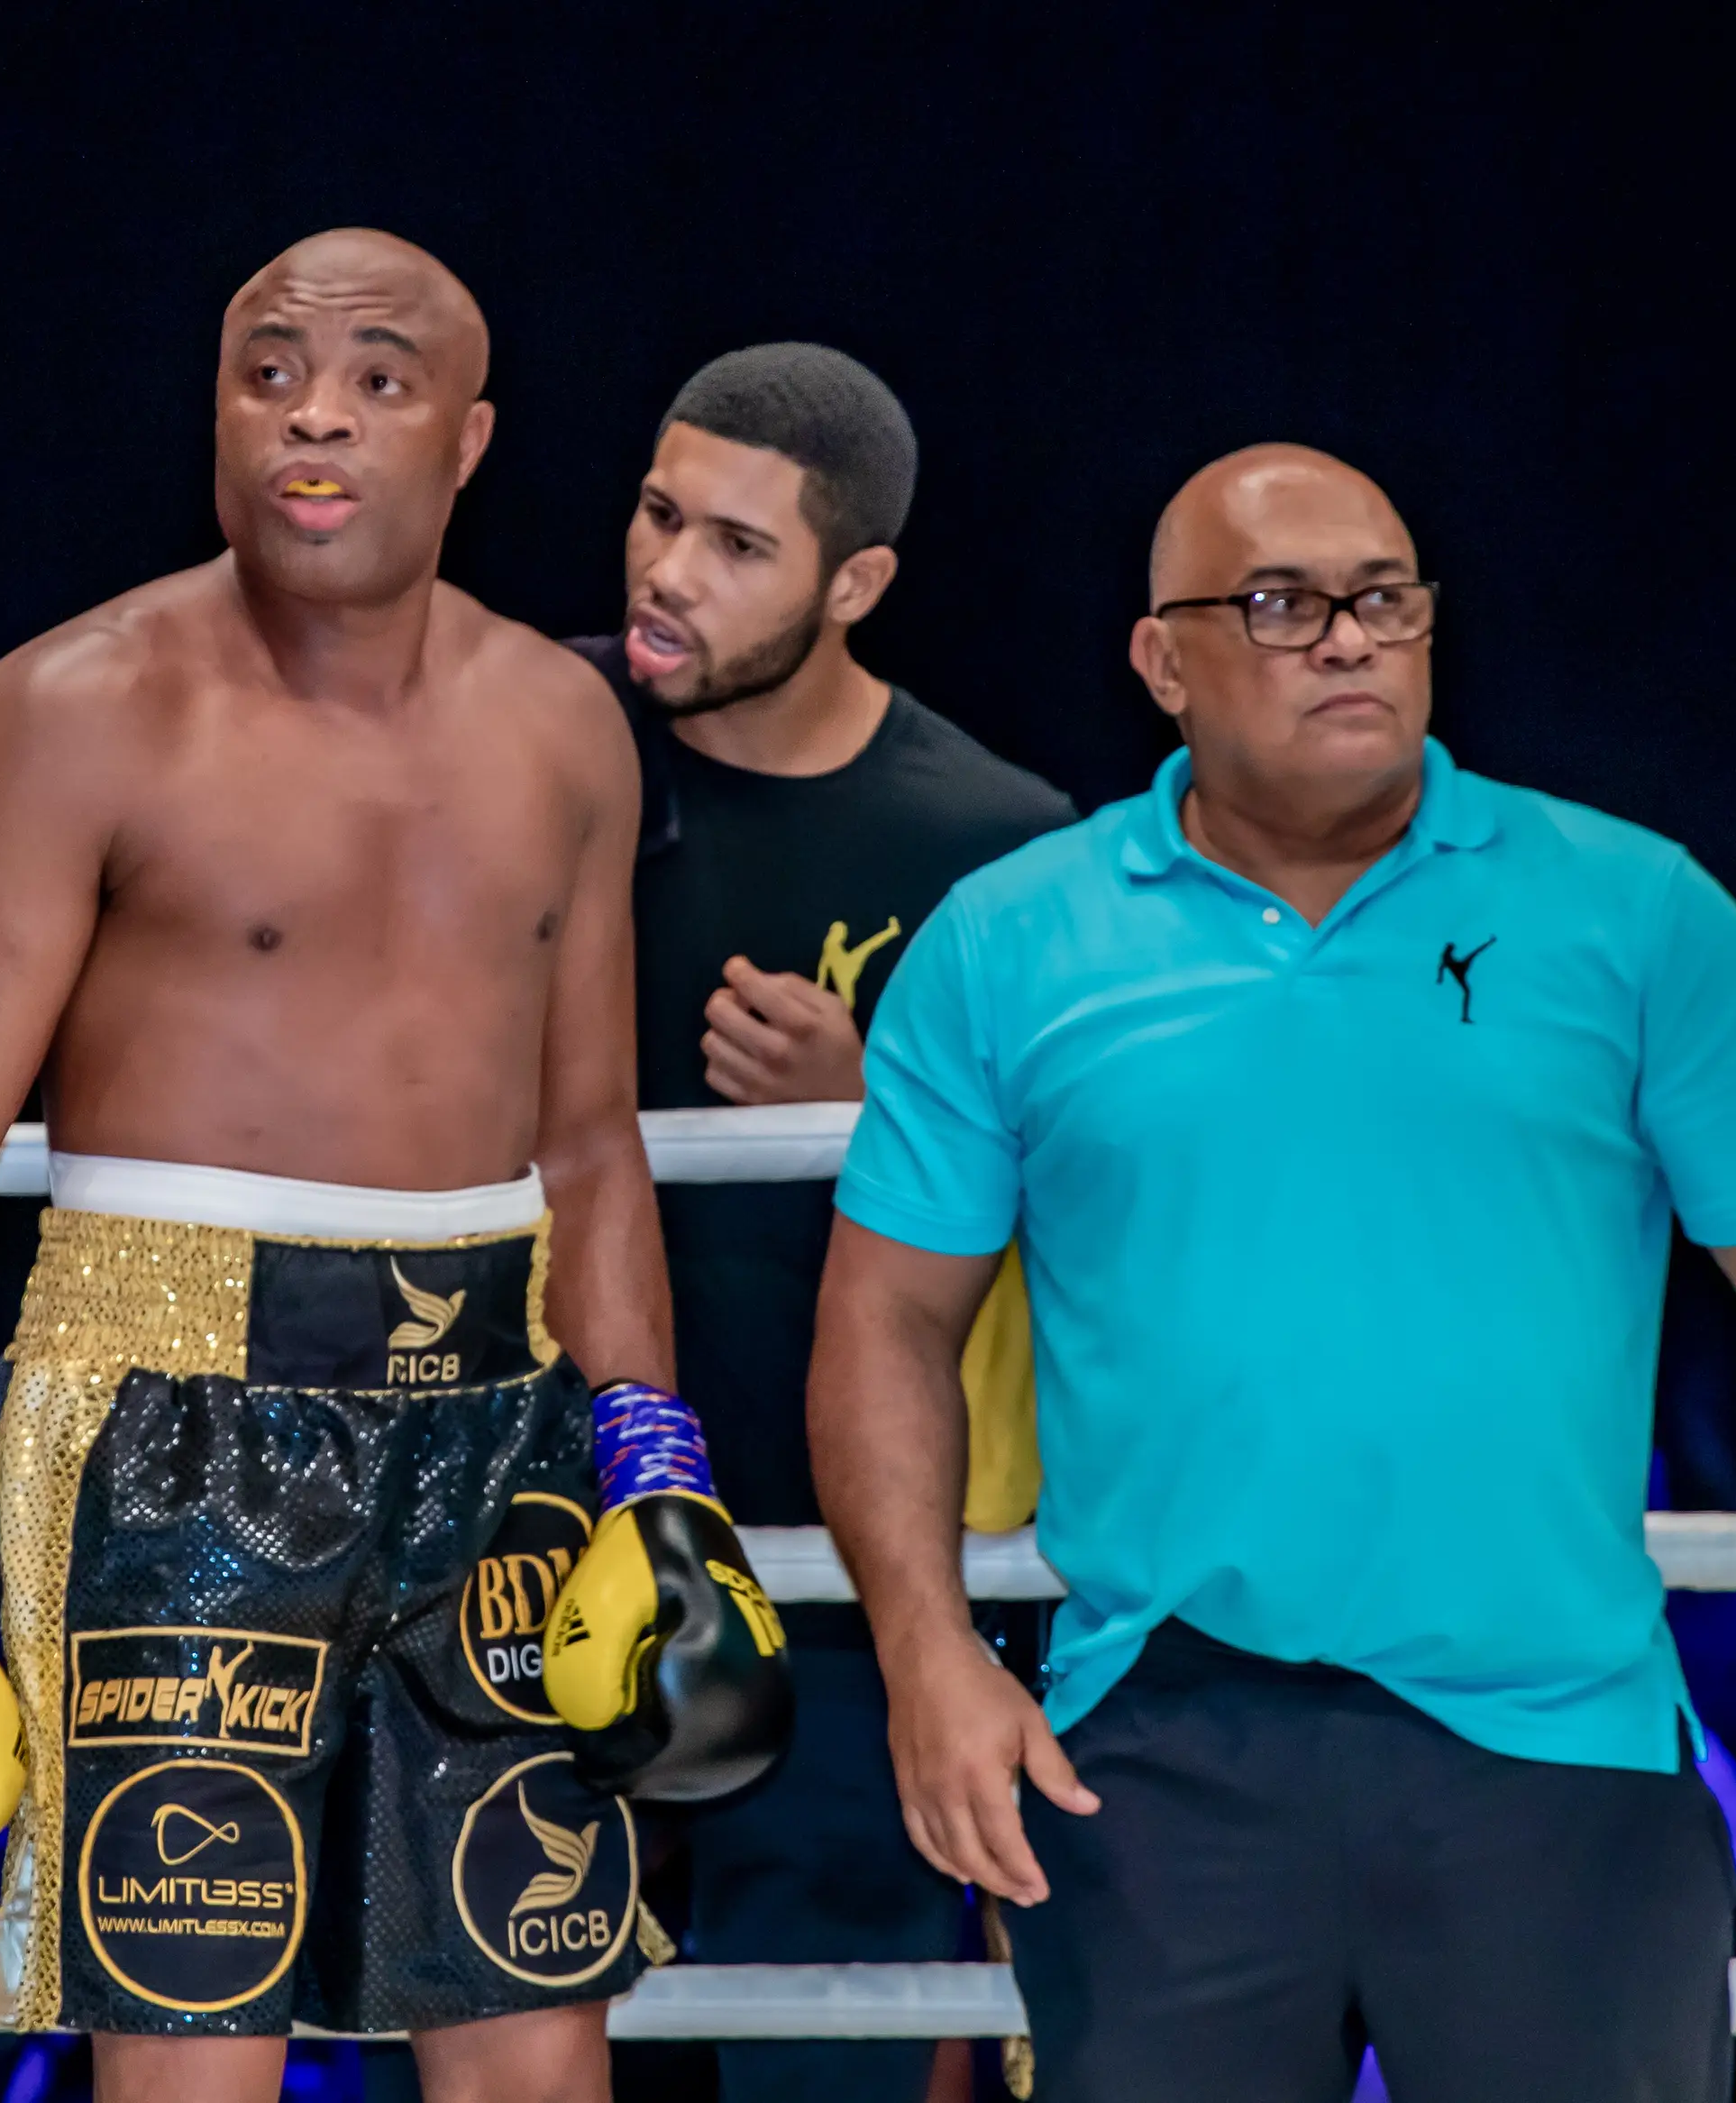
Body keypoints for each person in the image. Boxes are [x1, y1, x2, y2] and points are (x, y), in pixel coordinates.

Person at [0, 228, 785, 2103]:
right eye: (271, 371)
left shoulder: (563, 731)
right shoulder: (62, 714)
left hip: (505, 1406)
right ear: (214, 410)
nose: (315, 411)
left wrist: (657, 1469)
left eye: (380, 378)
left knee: (539, 2049)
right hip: (171, 1410)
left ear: (468, 438)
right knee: (190, 2058)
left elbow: (590, 1144)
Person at [807, 443, 1736, 2100]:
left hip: (1559, 1744)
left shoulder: (1631, 910)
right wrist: (928, 1656)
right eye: (1280, 603)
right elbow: (887, 1322)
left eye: (1384, 598)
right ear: (1161, 663)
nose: (1347, 637)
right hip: (1159, 1744)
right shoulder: (1008, 939)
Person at [567, 343, 1071, 2103]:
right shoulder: (521, 745)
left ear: (854, 583)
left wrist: (889, 1111)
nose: (665, 572)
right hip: (517, 1558)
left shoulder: (1001, 855)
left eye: (735, 545)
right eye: (655, 513)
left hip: (842, 1606)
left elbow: (1095, 1240)